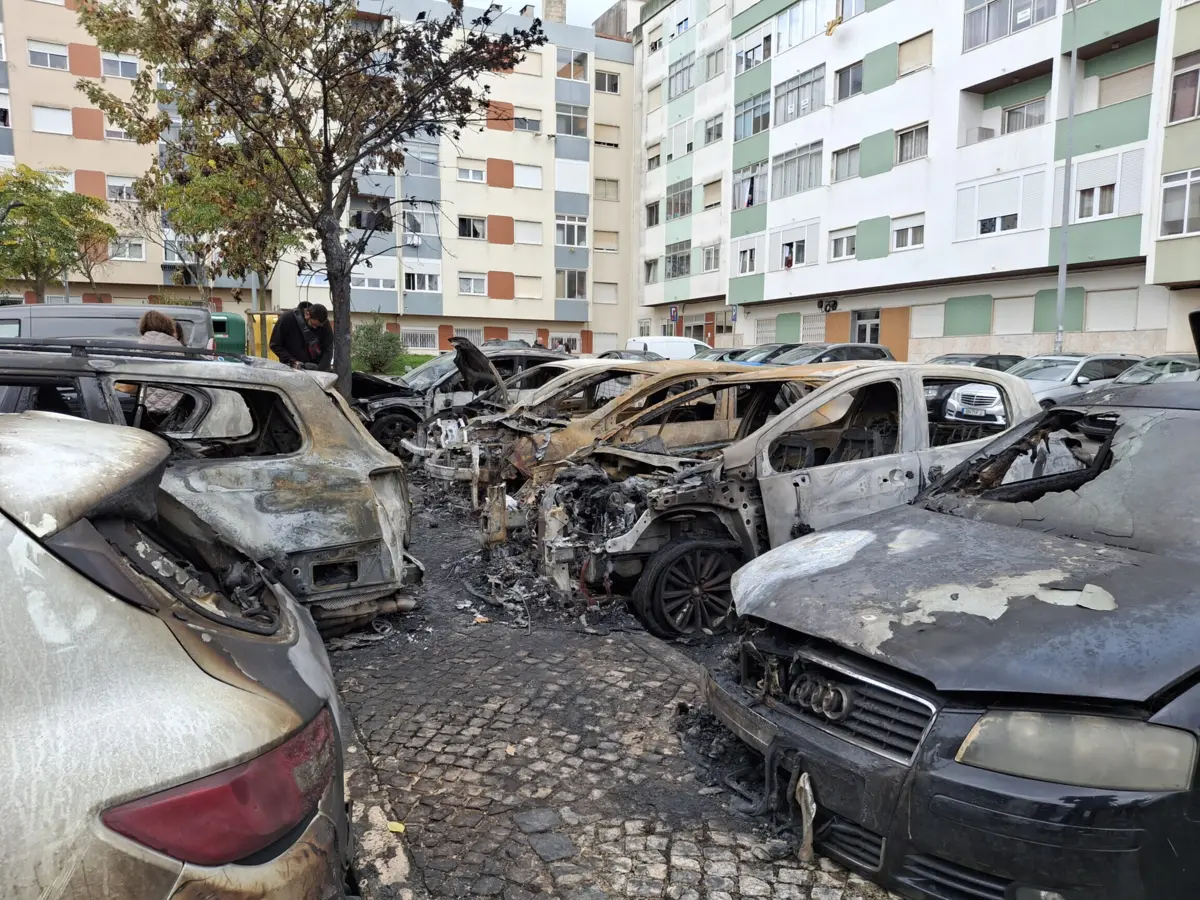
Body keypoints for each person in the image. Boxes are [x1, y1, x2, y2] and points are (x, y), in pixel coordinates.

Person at [270, 301, 333, 371]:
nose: (315, 328)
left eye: (318, 326)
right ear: (307, 315)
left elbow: (328, 348)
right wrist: (291, 361)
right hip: (291, 369)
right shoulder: (287, 318)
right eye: (313, 324)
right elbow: (275, 345)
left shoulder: (323, 323)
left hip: (317, 369)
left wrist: (320, 368)